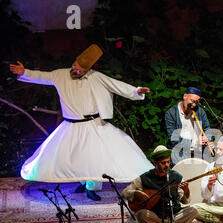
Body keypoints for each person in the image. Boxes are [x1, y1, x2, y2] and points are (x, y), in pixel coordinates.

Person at [9, 44, 152, 201]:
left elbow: (117, 85)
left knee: (94, 157)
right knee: (76, 157)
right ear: (74, 61)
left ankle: (92, 187)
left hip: (93, 125)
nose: (76, 71)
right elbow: (44, 76)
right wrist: (25, 72)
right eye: (75, 66)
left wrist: (136, 91)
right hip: (71, 125)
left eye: (81, 70)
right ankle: (84, 182)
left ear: (88, 70)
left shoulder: (96, 77)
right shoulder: (61, 75)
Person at [121, 145, 198, 223]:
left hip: (173, 215)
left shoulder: (177, 177)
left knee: (194, 210)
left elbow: (186, 201)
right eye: (163, 163)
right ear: (155, 163)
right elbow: (124, 193)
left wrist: (186, 190)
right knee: (141, 214)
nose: (166, 165)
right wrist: (136, 193)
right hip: (155, 216)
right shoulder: (145, 178)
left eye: (168, 162)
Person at [165, 87, 213, 164]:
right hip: (179, 154)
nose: (193, 105)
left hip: (198, 154)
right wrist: (194, 143)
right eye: (192, 101)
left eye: (196, 102)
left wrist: (208, 139)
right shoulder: (171, 113)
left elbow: (207, 129)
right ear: (185, 96)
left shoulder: (200, 112)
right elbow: (173, 139)